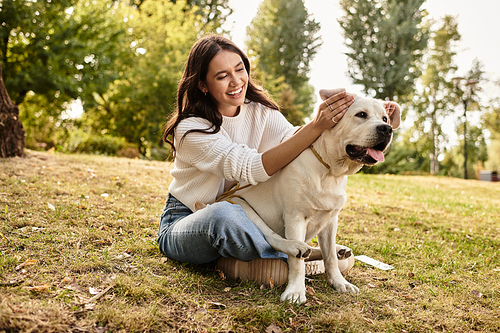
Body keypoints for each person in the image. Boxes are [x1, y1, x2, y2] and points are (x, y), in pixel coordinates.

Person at [157, 34, 354, 285]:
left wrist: (342, 114)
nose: (236, 81)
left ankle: (268, 255)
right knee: (223, 217)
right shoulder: (191, 129)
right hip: (187, 220)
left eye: (240, 69)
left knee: (237, 215)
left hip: (244, 214)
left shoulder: (259, 110)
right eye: (222, 76)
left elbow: (293, 140)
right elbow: (250, 168)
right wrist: (316, 125)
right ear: (203, 85)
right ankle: (294, 256)